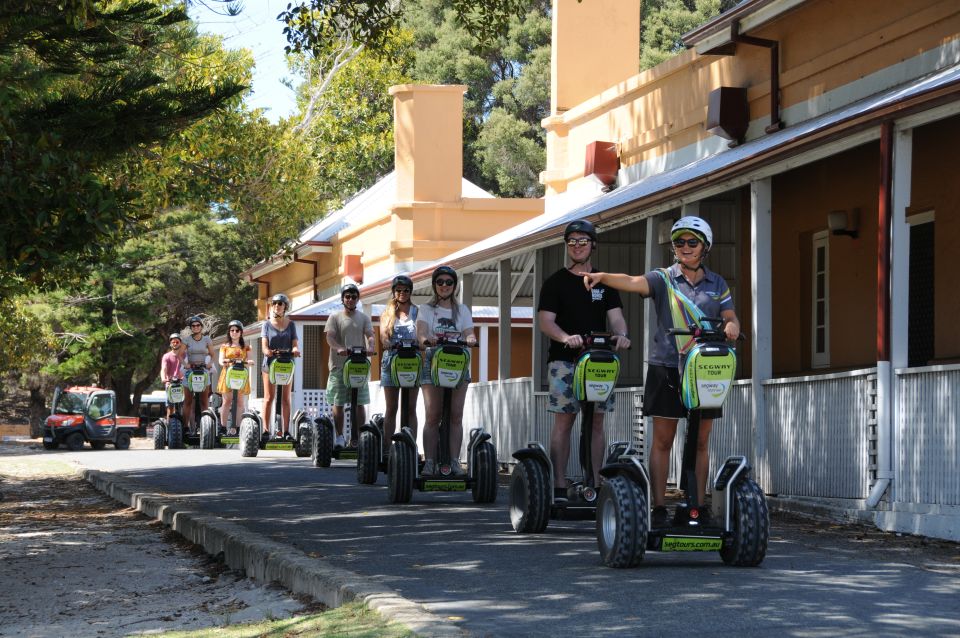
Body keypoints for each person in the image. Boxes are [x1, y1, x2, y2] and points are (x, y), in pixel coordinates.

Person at [584, 216, 740, 527]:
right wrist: (602, 276)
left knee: (700, 441)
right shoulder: (663, 278)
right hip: (666, 366)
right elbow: (632, 281)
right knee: (663, 440)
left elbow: (730, 316)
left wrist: (733, 327)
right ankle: (658, 508)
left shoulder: (717, 283)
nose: (684, 247)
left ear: (704, 247)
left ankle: (696, 506)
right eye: (679, 242)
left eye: (691, 242)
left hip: (703, 370)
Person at [538, 219, 630, 500]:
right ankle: (559, 483)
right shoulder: (555, 282)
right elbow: (545, 322)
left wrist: (622, 336)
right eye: (572, 242)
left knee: (597, 421)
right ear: (567, 246)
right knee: (565, 420)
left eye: (583, 241)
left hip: (598, 361)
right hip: (565, 361)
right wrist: (566, 337)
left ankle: (596, 484)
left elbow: (616, 319)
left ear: (593, 245)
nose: (577, 247)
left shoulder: (604, 282)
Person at [416, 265, 477, 476]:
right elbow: (421, 332)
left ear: (454, 285)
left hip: (457, 363)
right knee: (433, 415)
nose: (444, 286)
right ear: (434, 285)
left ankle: (454, 462)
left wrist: (470, 338)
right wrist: (425, 340)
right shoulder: (426, 309)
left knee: (456, 415)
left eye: (448, 282)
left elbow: (470, 333)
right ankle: (431, 461)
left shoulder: (463, 310)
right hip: (433, 362)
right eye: (440, 282)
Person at [325, 283, 375, 448]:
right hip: (339, 366)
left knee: (360, 403)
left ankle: (359, 438)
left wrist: (371, 346)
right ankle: (339, 437)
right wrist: (339, 348)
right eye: (347, 296)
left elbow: (370, 335)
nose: (351, 299)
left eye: (354, 296)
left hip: (358, 366)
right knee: (338, 403)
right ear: (342, 299)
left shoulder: (363, 318)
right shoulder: (335, 317)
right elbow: (330, 337)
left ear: (357, 299)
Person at [379, 275, 420, 451]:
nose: (402, 293)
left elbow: (422, 332)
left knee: (411, 407)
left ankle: (410, 446)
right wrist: (387, 342)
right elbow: (383, 336)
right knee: (391, 407)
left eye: (406, 290)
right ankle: (387, 449)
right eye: (398, 290)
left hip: (412, 360)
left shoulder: (418, 311)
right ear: (394, 292)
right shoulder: (387, 313)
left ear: (410, 292)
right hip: (392, 361)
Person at [261, 294, 301, 440]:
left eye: (280, 303)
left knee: (285, 398)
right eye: (274, 303)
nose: (277, 306)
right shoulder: (266, 324)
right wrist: (267, 351)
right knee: (269, 397)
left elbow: (295, 344)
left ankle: (286, 431)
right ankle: (265, 430)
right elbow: (264, 346)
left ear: (285, 306)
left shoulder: (291, 325)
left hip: (286, 364)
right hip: (270, 364)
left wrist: (295, 350)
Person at [217, 320, 254, 434]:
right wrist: (225, 361)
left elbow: (249, 360)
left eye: (237, 330)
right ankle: (223, 427)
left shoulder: (246, 347)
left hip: (240, 376)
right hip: (228, 375)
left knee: (240, 402)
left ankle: (237, 428)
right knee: (227, 401)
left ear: (241, 332)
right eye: (232, 330)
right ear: (229, 332)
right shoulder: (224, 346)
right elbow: (220, 360)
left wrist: (250, 362)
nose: (234, 332)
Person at [183, 315, 217, 432]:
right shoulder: (187, 340)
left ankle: (205, 427)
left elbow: (213, 354)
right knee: (188, 401)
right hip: (191, 370)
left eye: (198, 325)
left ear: (201, 327)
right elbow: (179, 354)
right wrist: (185, 364)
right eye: (193, 326)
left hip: (203, 370)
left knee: (204, 401)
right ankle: (185, 427)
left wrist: (210, 364)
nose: (196, 327)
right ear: (191, 328)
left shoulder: (207, 339)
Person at [160, 333, 185, 420]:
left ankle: (187, 427)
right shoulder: (166, 356)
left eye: (177, 342)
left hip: (182, 383)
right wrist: (164, 378)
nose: (175, 343)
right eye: (173, 342)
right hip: (170, 384)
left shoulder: (185, 355)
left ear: (180, 343)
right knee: (170, 407)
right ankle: (169, 427)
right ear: (170, 344)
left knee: (185, 406)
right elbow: (164, 368)